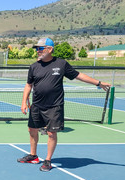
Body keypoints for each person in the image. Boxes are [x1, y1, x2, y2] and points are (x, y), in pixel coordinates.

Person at [18, 38, 111, 172]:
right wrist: (24, 102)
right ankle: (33, 156)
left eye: (40, 48)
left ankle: (48, 160)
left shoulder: (61, 64)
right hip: (37, 105)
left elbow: (79, 75)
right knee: (32, 130)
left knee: (51, 133)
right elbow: (28, 85)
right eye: (37, 49)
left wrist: (98, 83)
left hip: (55, 106)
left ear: (49, 49)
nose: (37, 51)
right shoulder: (34, 66)